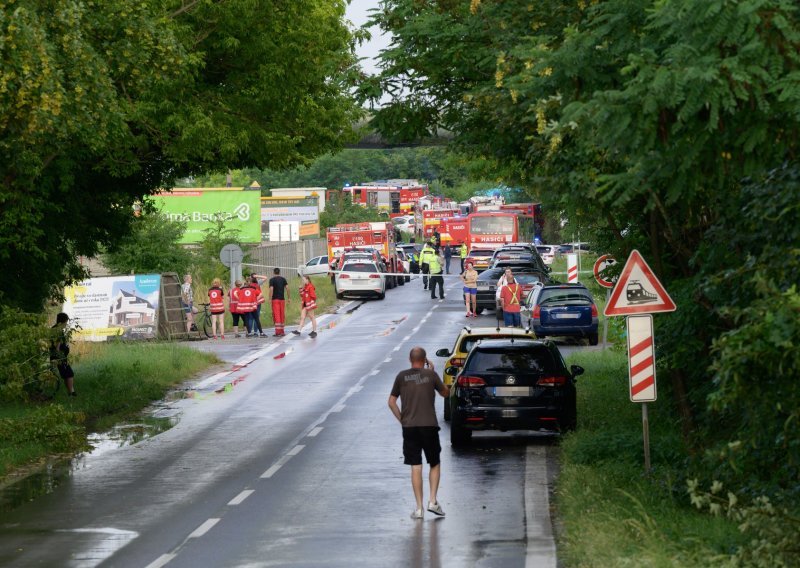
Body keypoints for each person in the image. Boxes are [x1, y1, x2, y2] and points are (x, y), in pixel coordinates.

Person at [388, 347, 449, 520]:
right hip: (429, 426)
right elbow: (446, 393)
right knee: (434, 463)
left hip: (410, 428)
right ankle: (433, 501)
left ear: (410, 359)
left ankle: (419, 508)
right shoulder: (431, 375)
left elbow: (391, 402)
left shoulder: (401, 376)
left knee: (416, 466)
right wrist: (432, 373)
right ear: (425, 360)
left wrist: (402, 420)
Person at [50, 312, 77, 396]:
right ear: (62, 322)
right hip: (59, 357)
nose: (66, 324)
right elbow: (57, 347)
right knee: (69, 373)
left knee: (66, 374)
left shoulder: (53, 329)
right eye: (66, 322)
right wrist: (61, 358)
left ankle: (71, 392)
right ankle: (71, 393)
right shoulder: (58, 331)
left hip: (56, 356)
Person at [268, 267, 290, 336]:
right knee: (282, 314)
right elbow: (287, 288)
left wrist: (269, 298)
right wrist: (289, 298)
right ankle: (282, 331)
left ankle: (278, 332)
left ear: (274, 272)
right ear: (279, 272)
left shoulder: (272, 280)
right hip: (282, 299)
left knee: (276, 315)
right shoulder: (283, 279)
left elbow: (271, 289)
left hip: (275, 299)